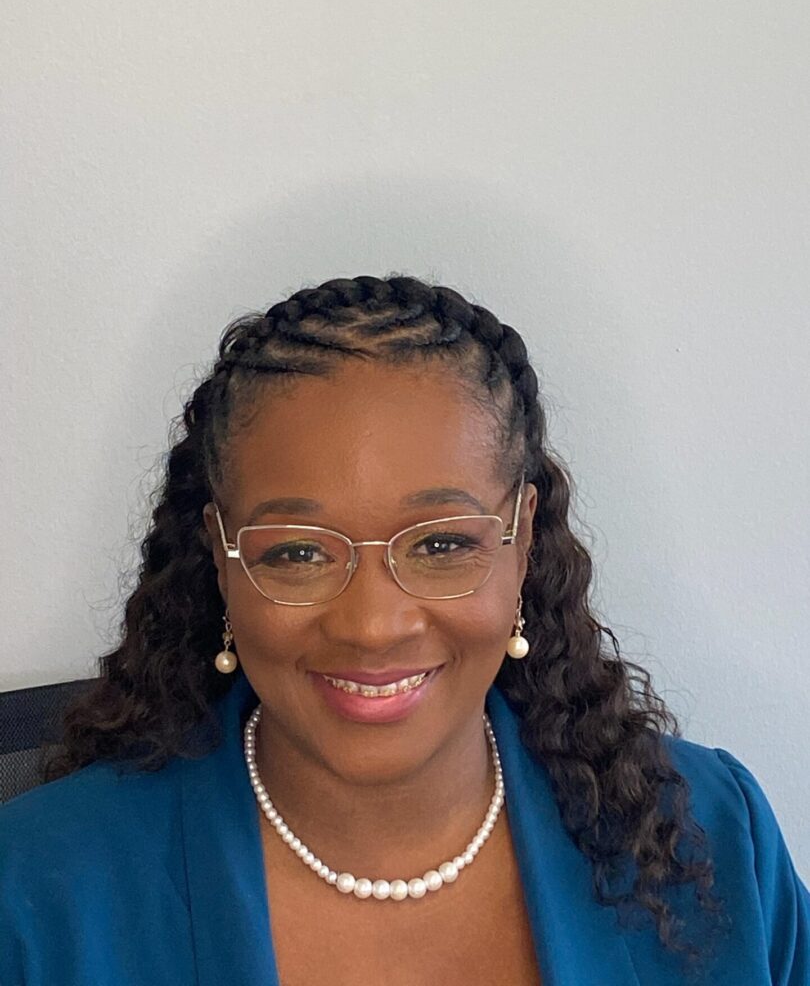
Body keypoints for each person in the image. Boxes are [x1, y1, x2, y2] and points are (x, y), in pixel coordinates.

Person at [0, 274, 807, 985]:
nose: (373, 626)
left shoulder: (709, 830)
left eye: (443, 544)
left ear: (521, 540)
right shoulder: (35, 892)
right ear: (221, 555)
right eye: (298, 554)